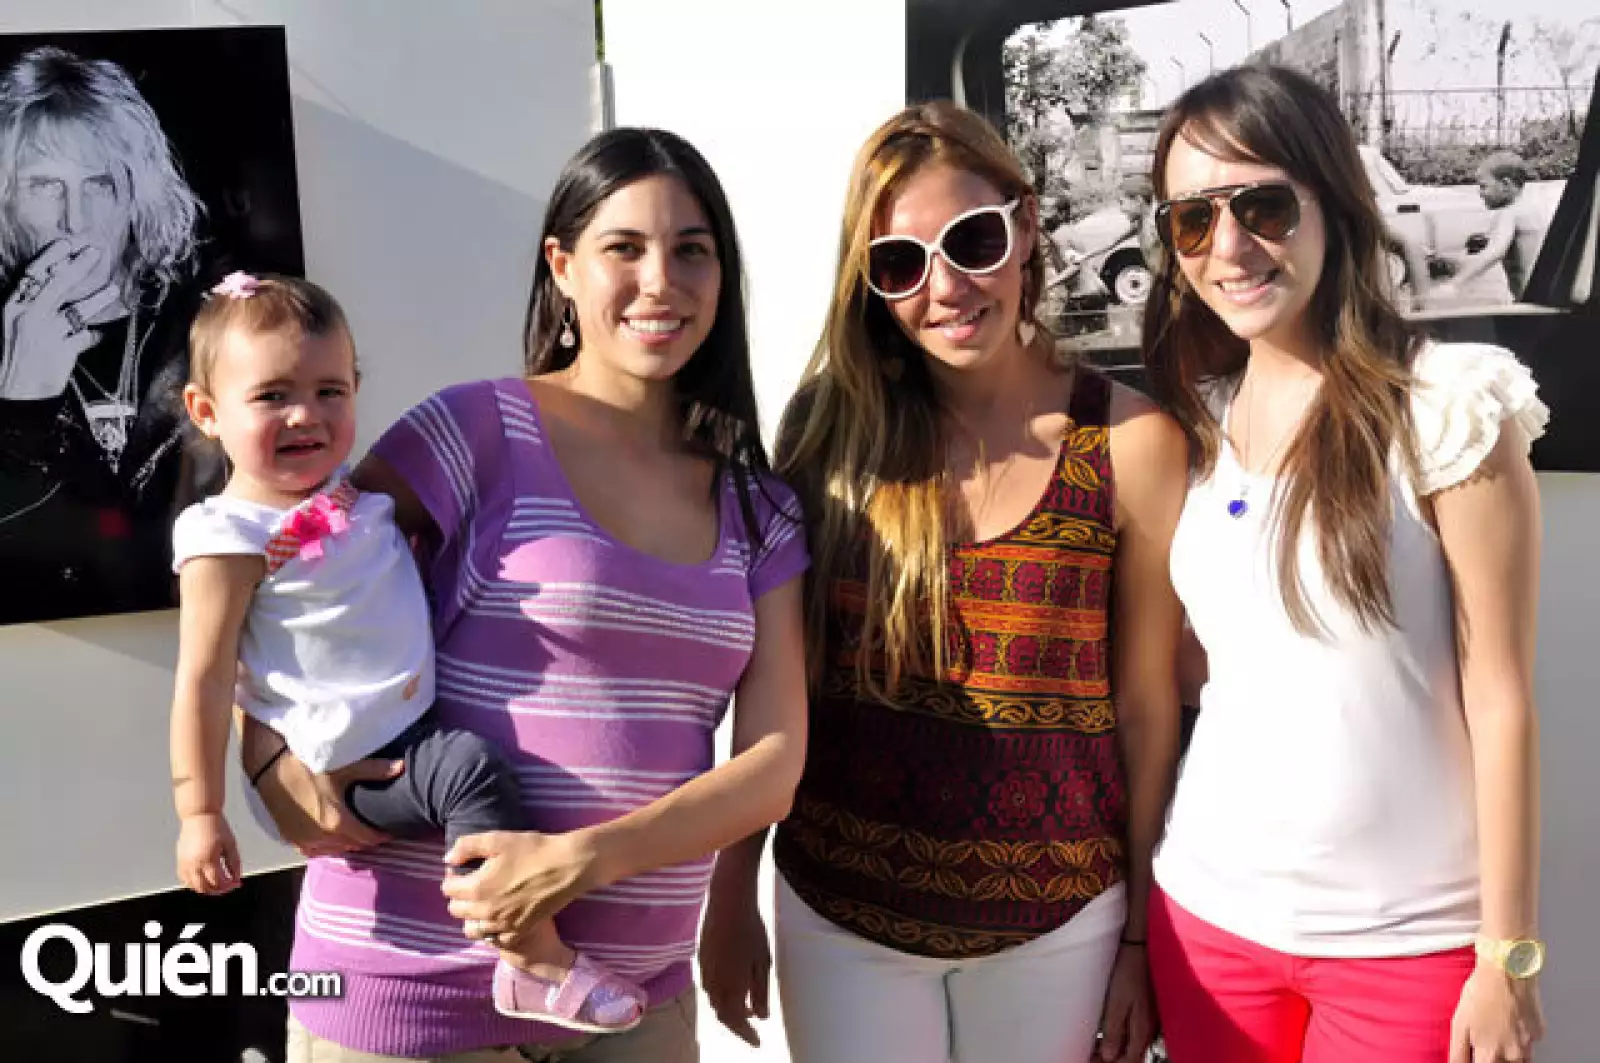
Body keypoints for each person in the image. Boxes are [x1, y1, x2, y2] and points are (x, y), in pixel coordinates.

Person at [238, 127, 808, 1063]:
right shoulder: (474, 431)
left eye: (691, 250)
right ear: (564, 266)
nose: (660, 280)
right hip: (410, 995)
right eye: (624, 247)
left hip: (628, 1005)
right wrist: (264, 758)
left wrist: (579, 861)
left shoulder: (762, 507)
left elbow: (774, 763)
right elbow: (285, 581)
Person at [699, 101, 1188, 1063]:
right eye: (901, 263)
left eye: (971, 240)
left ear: (1025, 228)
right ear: (872, 284)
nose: (947, 287)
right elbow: (777, 692)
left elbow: (1145, 708)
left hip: (1059, 923)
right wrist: (729, 894)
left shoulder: (1132, 444)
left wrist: (1141, 937)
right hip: (842, 911)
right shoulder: (830, 435)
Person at [1141, 64, 1548, 1063]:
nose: (1228, 247)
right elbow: (1217, 672)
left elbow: (1501, 696)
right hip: (1205, 920)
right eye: (1192, 221)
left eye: (1262, 206)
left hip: (1407, 947)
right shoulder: (1194, 425)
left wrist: (1506, 957)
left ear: (1333, 201)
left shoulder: (1445, 406)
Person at [168, 272, 647, 1034]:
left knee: (473, 769)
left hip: (396, 736)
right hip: (354, 761)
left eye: (331, 390)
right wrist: (201, 809)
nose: (306, 415)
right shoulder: (227, 537)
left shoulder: (361, 502)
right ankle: (531, 958)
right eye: (271, 396)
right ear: (206, 411)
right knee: (471, 771)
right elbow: (203, 674)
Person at [0, 44, 217, 623]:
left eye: (100, 185)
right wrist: (23, 403)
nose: (75, 219)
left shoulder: (212, 324)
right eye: (43, 186)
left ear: (135, 197)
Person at [1439, 150, 1551, 301]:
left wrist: (1454, 284)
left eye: (1483, 186)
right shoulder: (1533, 208)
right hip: (1545, 296)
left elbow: (1494, 253)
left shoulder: (1509, 213)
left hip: (1530, 303)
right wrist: (1445, 259)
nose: (1480, 193)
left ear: (1505, 184)